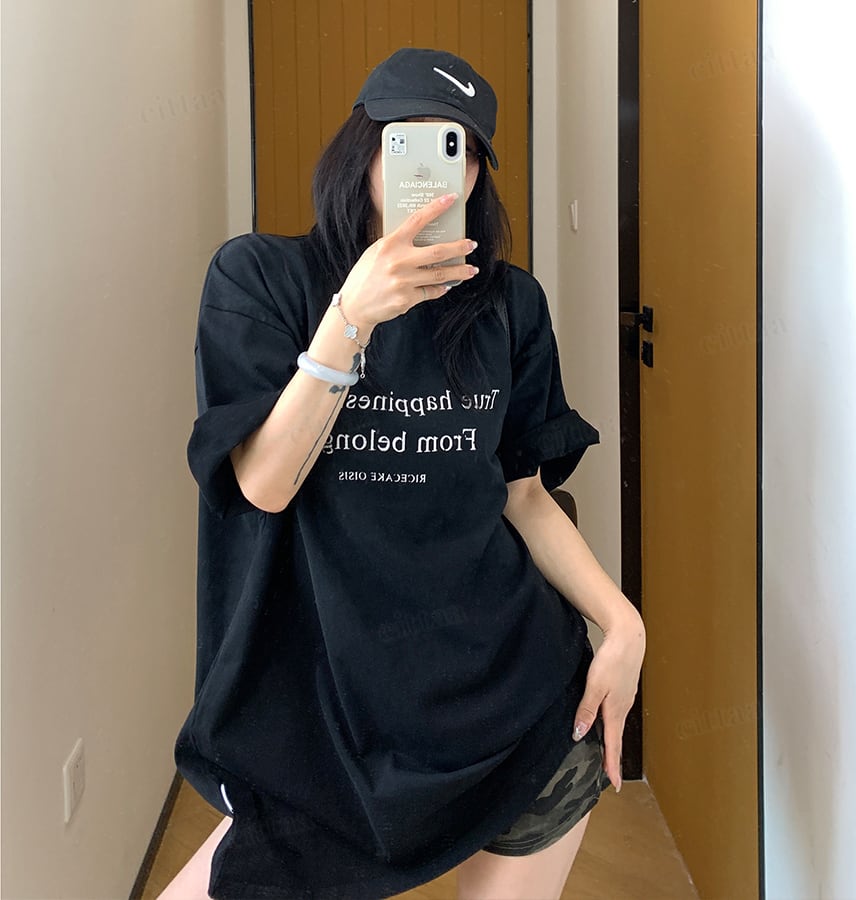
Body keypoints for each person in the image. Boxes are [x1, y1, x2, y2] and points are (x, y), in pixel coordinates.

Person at [164, 48, 646, 900]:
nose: (432, 172)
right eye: (408, 141)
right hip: (321, 730)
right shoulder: (260, 278)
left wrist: (620, 620)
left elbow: (524, 496)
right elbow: (265, 484)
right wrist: (350, 318)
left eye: (459, 151)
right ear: (363, 151)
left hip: (515, 701)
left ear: (476, 177)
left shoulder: (511, 305)